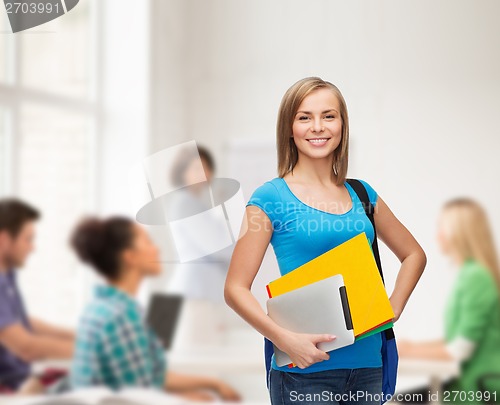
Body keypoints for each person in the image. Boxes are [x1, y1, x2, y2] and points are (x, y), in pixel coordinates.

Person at [224, 76, 427, 405]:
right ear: (290, 128)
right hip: (304, 371)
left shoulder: (363, 194)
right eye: (305, 117)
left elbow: (414, 254)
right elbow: (234, 288)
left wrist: (394, 306)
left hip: (368, 367)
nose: (317, 127)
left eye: (328, 116)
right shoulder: (270, 197)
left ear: (342, 126)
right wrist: (286, 340)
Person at [69, 215, 241, 402]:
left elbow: (150, 376)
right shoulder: (122, 316)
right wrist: (187, 399)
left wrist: (211, 384)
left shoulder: (104, 307)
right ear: (130, 257)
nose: (157, 248)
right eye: (147, 242)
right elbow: (138, 395)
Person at [397, 198, 500, 404]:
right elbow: (460, 338)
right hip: (468, 384)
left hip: (479, 388)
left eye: (442, 228)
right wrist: (412, 346)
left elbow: (459, 350)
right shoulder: (471, 274)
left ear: (460, 234)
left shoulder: (476, 277)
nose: (438, 236)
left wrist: (409, 351)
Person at [0, 198, 74, 393]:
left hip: (22, 380)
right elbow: (26, 347)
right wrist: (92, 350)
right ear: (5, 239)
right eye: (28, 239)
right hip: (10, 389)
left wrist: (79, 335)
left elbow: (21, 323)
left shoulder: (7, 277)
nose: (32, 248)